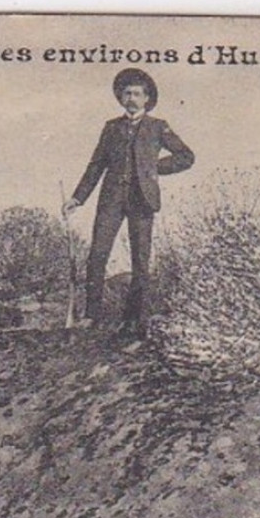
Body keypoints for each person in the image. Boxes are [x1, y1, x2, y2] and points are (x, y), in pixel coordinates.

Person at [63, 68, 195, 340]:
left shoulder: (158, 127)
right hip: (110, 199)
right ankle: (92, 316)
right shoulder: (111, 128)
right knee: (97, 255)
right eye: (127, 93)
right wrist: (78, 198)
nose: (131, 98)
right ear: (121, 98)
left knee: (140, 261)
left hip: (142, 200)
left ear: (147, 98)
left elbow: (186, 156)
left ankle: (135, 320)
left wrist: (153, 168)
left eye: (137, 93)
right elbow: (96, 165)